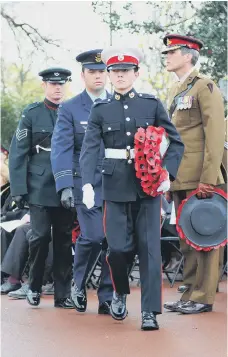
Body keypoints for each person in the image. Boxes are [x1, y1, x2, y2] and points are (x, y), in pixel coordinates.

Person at [79, 47, 184, 330]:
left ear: (136, 74)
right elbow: (89, 148)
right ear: (110, 76)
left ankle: (149, 312)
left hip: (148, 188)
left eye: (126, 70)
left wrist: (168, 173)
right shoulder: (101, 108)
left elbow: (176, 142)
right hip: (114, 187)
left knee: (150, 249)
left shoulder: (151, 104)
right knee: (117, 249)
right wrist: (87, 182)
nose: (120, 75)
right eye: (115, 71)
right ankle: (120, 292)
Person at [162, 34, 225, 314]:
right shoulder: (175, 90)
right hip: (180, 176)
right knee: (187, 238)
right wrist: (166, 176)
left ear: (188, 55)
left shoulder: (205, 87)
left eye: (172, 52)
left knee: (206, 236)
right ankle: (188, 292)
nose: (167, 56)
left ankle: (203, 297)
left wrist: (208, 179)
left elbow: (214, 135)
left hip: (201, 177)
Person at [51, 50, 113, 315]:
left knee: (115, 240)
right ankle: (79, 283)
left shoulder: (119, 104)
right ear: (83, 75)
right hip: (84, 184)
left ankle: (108, 296)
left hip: (115, 183)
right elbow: (61, 148)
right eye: (92, 72)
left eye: (102, 71)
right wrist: (64, 184)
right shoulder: (70, 108)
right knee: (94, 236)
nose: (97, 76)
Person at [8, 68, 75, 308]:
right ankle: (34, 286)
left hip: (66, 185)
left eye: (61, 84)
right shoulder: (32, 113)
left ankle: (62, 294)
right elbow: (18, 153)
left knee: (64, 240)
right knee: (40, 237)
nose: (57, 88)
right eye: (52, 84)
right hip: (38, 185)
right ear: (44, 86)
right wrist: (18, 188)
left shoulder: (72, 111)